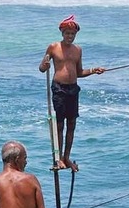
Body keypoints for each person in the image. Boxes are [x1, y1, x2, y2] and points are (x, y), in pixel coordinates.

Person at [38, 15, 105, 172]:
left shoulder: (78, 50)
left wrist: (94, 71)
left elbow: (80, 72)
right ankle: (58, 157)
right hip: (59, 89)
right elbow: (41, 68)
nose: (70, 36)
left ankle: (66, 157)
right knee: (60, 125)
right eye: (67, 33)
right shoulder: (53, 47)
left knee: (72, 124)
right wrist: (45, 65)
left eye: (72, 34)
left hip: (73, 89)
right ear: (62, 33)